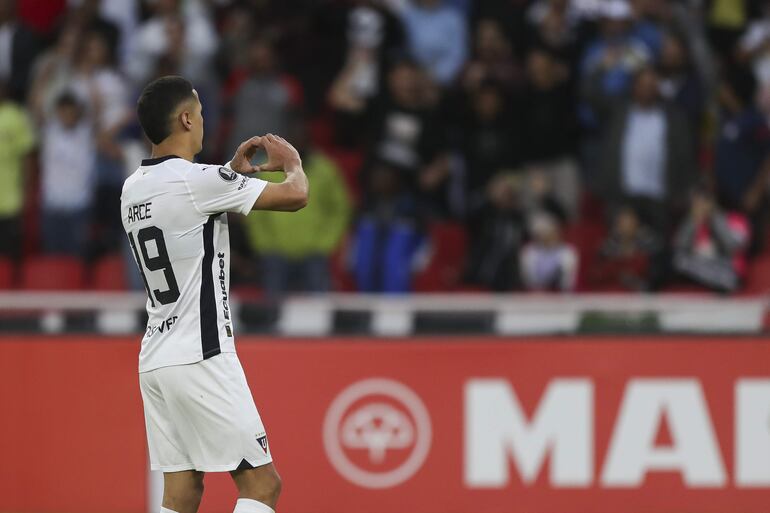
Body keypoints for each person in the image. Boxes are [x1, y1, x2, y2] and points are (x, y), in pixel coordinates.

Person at [121, 76, 308, 513]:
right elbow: (296, 196)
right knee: (262, 486)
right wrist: (294, 162)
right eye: (201, 113)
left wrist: (231, 175)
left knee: (181, 495)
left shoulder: (132, 188)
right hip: (201, 353)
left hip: (156, 358)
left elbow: (189, 209)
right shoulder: (198, 181)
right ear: (186, 118)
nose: (205, 121)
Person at [40, 91, 95, 256]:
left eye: (71, 112)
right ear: (57, 112)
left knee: (77, 259)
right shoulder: (49, 133)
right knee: (52, 261)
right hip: (52, 206)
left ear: (77, 112)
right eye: (63, 112)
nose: (67, 116)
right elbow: (35, 105)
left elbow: (97, 111)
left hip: (79, 206)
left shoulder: (87, 134)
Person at [0, 80, 34, 261]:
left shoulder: (16, 116)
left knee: (10, 258)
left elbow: (27, 155)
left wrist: (27, 189)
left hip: (11, 202)